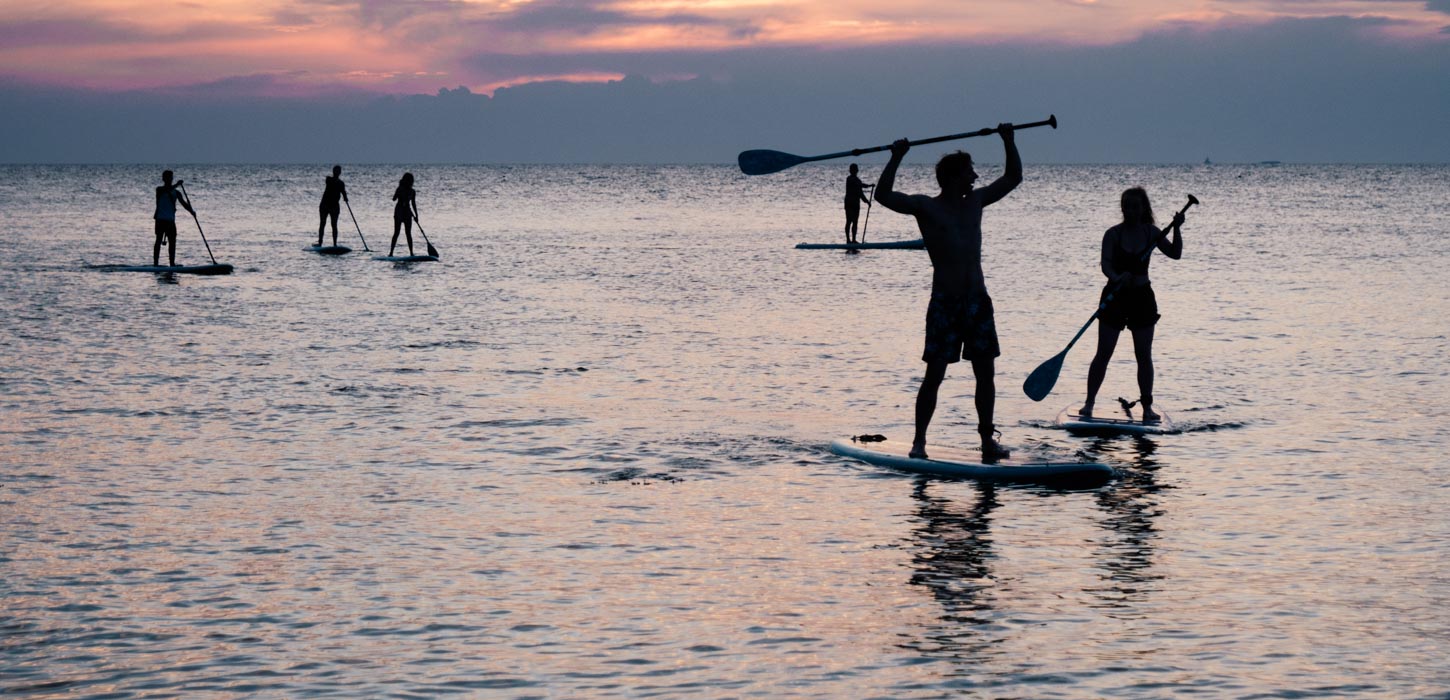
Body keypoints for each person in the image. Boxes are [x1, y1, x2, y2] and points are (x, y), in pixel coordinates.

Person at [874, 125, 1020, 461]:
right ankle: (919, 443)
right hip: (945, 303)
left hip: (978, 301)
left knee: (985, 374)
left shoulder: (977, 201)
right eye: (970, 171)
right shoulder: (927, 208)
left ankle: (987, 441)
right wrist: (896, 157)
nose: (975, 176)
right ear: (955, 176)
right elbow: (884, 196)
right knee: (935, 374)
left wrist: (1008, 141)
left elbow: (1013, 177)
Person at [1079, 187, 1184, 422]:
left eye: (1135, 206)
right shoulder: (1112, 235)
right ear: (1122, 208)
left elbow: (1175, 253)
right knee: (1103, 353)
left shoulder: (1152, 233)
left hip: (1142, 298)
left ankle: (1147, 407)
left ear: (1143, 208)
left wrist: (1177, 228)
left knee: (1143, 355)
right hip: (1115, 297)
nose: (1131, 211)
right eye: (1127, 206)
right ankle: (1089, 404)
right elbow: (1105, 264)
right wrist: (1116, 277)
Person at [153, 170, 194, 267]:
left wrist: (192, 211)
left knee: (172, 242)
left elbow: (184, 204)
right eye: (167, 178)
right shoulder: (159, 190)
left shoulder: (176, 192)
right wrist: (177, 184)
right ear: (163, 179)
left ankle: (172, 263)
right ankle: (155, 264)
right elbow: (167, 190)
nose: (169, 179)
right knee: (158, 240)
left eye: (171, 177)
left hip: (171, 221)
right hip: (160, 220)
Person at [317, 165, 349, 247]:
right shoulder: (329, 179)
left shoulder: (341, 183)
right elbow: (333, 184)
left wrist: (345, 197)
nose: (337, 172)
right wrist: (343, 192)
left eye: (338, 171)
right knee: (322, 223)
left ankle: (335, 244)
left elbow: (344, 193)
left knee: (334, 225)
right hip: (325, 205)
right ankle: (320, 243)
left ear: (340, 172)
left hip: (334, 206)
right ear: (333, 172)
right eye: (336, 171)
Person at [389, 172, 418, 256]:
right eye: (411, 181)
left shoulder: (412, 192)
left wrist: (416, 216)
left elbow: (413, 204)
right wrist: (399, 194)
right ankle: (391, 253)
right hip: (399, 212)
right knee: (397, 233)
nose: (412, 182)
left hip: (407, 213)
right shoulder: (400, 189)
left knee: (408, 233)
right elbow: (394, 199)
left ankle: (411, 253)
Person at [844, 163, 872, 244]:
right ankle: (848, 240)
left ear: (857, 171)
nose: (854, 171)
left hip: (856, 203)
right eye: (852, 170)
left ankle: (853, 240)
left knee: (855, 221)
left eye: (855, 170)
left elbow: (861, 191)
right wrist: (869, 186)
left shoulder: (858, 180)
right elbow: (860, 188)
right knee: (849, 221)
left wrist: (867, 202)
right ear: (850, 171)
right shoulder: (849, 179)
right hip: (849, 203)